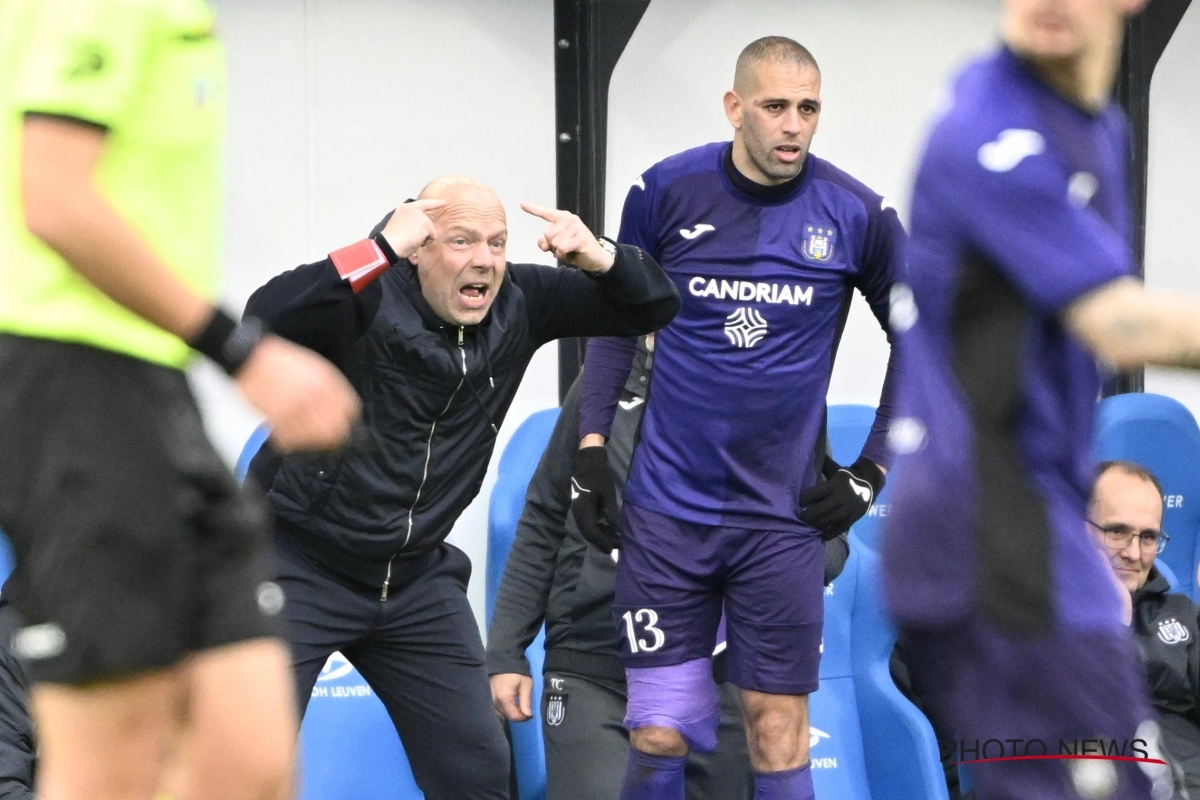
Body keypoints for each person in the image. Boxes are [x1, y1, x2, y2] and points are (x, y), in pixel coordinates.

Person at [0, 2, 362, 799]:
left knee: (250, 761)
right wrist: (243, 350)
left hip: (156, 387)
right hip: (75, 387)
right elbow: (52, 195)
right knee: (110, 769)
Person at [243, 175, 680, 799]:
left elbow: (655, 307)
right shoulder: (367, 294)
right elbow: (265, 316)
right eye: (462, 240)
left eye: (497, 243)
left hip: (416, 582)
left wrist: (601, 257)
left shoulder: (521, 302)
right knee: (244, 764)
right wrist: (378, 248)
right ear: (417, 247)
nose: (485, 259)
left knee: (477, 770)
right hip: (298, 566)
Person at [877, 0, 1200, 796]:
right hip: (981, 532)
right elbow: (1120, 324)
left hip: (1042, 525)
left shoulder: (1097, 129)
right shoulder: (989, 128)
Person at [573, 36, 904, 800]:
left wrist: (872, 470)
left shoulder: (858, 214)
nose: (794, 124)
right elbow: (616, 319)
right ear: (735, 108)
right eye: (775, 106)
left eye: (809, 108)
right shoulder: (663, 192)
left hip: (782, 522)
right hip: (666, 513)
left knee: (778, 727)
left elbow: (922, 340)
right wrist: (593, 450)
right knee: (659, 727)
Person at [487, 333, 854, 799]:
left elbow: (832, 535)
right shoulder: (602, 385)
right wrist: (506, 650)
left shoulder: (773, 391)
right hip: (594, 669)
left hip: (718, 676)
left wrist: (770, 566)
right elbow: (544, 511)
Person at [1090, 461, 1199, 797]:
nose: (1134, 553)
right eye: (1117, 531)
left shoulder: (1183, 615)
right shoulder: (1033, 622)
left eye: (1148, 537)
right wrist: (1114, 627)